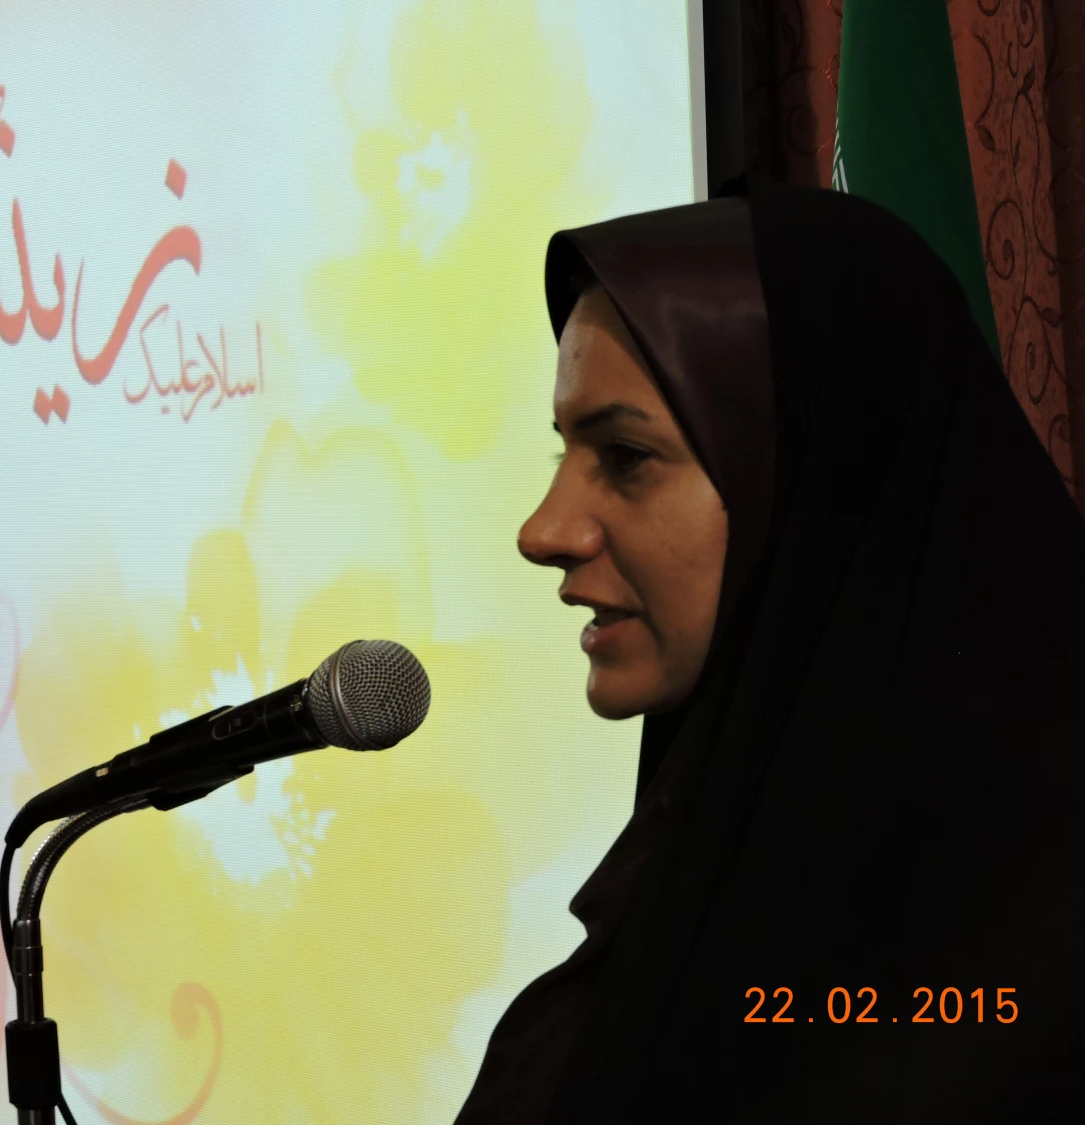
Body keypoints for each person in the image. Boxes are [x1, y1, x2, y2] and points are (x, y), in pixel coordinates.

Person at [454, 179, 1085, 1122]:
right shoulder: (708, 850)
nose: (542, 530)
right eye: (563, 454)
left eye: (625, 457)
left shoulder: (1025, 963)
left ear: (817, 486)